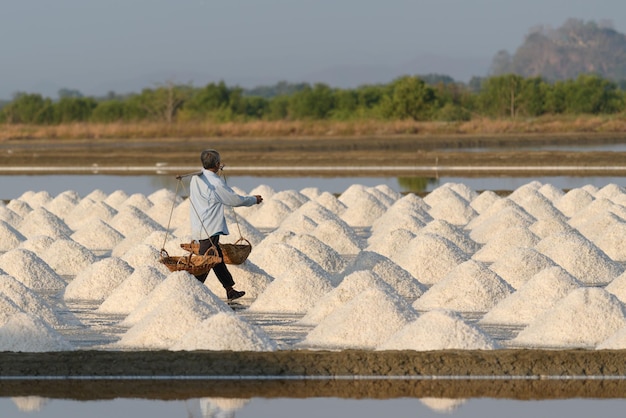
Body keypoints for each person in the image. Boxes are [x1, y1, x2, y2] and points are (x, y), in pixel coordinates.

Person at [188, 149, 263, 300]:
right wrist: (253, 200)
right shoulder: (216, 183)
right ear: (217, 164)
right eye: (218, 163)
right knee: (206, 261)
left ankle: (229, 289)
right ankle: (190, 291)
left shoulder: (196, 178)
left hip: (200, 225)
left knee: (216, 257)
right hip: (210, 227)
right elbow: (234, 200)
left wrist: (216, 170)